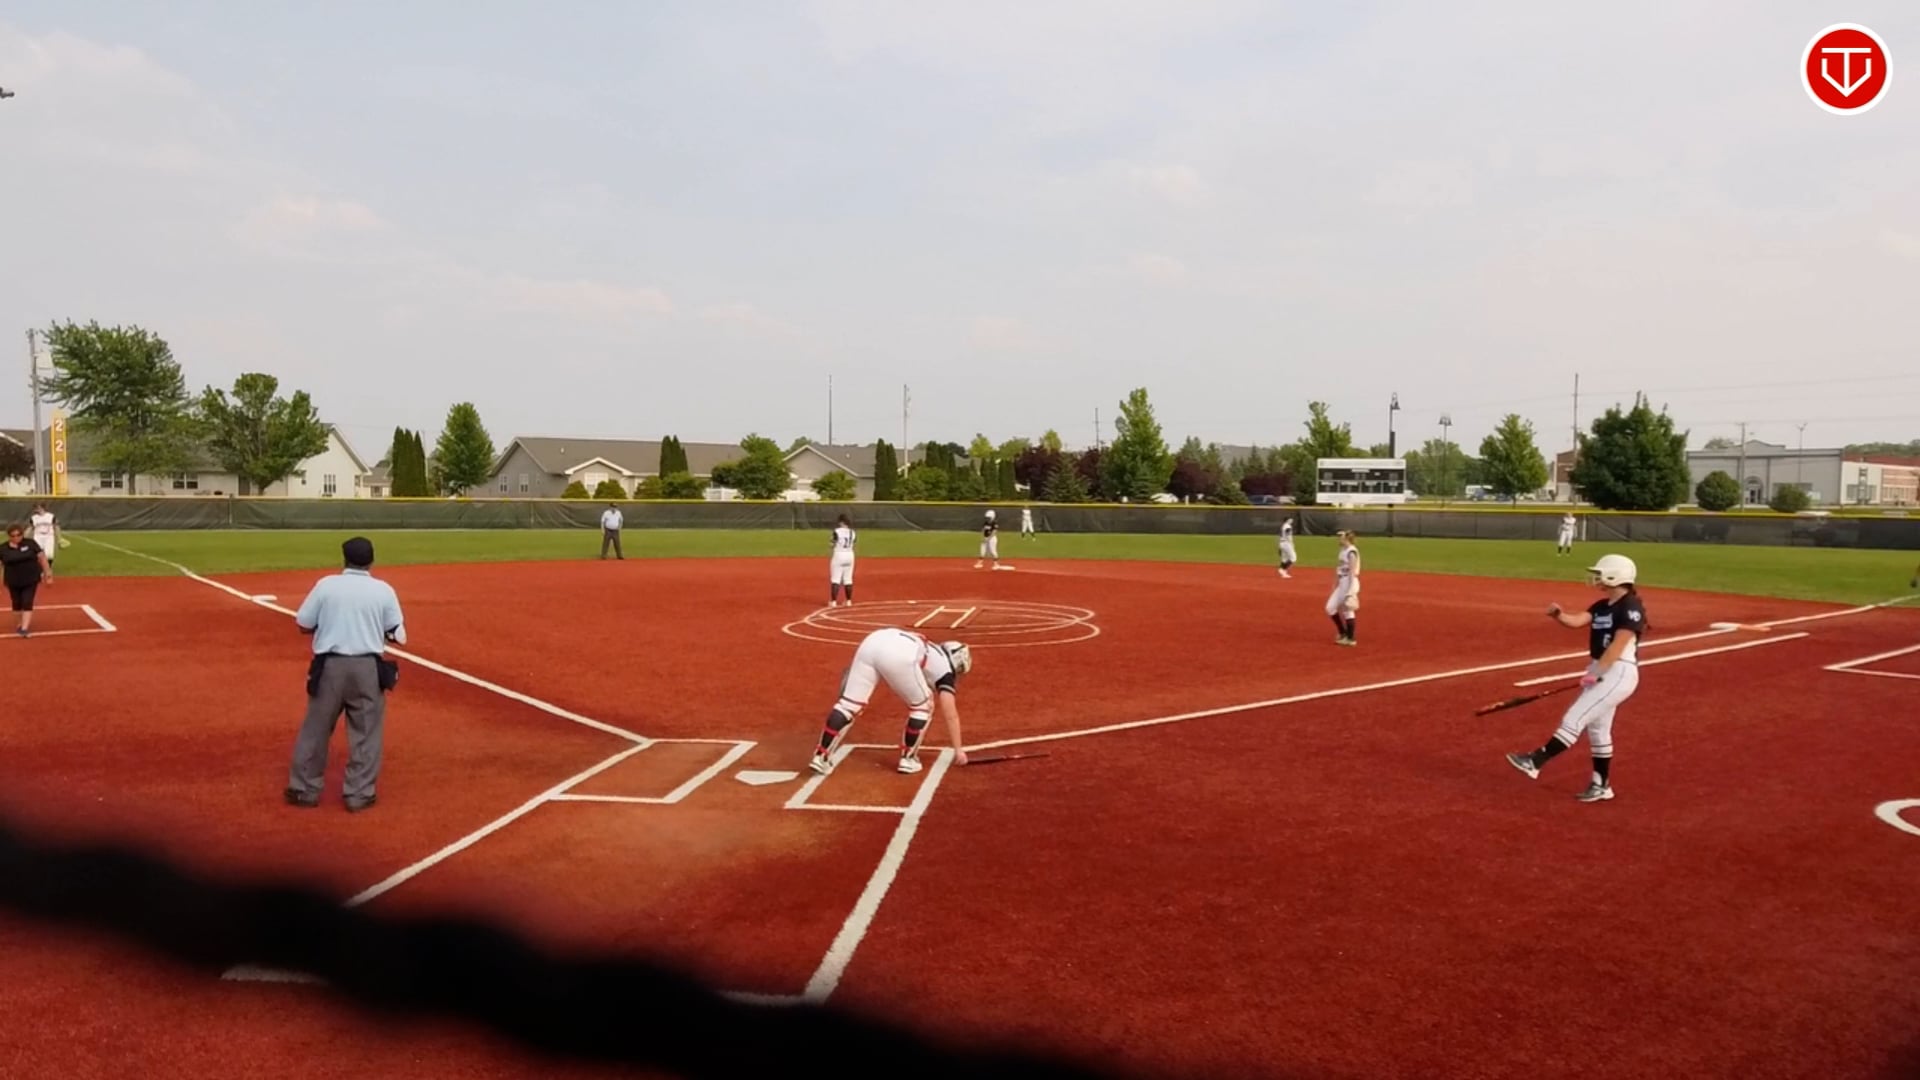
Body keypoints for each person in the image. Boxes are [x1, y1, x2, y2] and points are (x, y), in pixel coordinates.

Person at [1505, 553, 1646, 803]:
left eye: (1601, 574)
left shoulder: (1631, 607)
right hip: (1604, 668)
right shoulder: (1602, 606)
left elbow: (1618, 644)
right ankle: (1601, 785)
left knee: (1574, 718)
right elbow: (1578, 621)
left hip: (1618, 671)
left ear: (1615, 576)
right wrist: (1559, 615)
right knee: (1598, 730)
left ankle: (1536, 761)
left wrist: (1596, 673)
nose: (1596, 578)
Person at [285, 537, 406, 812]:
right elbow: (398, 634)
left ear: (345, 559)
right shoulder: (384, 590)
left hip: (330, 668)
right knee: (366, 732)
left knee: (316, 729)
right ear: (371, 561)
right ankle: (359, 794)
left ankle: (304, 790)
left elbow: (303, 623)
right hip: (367, 669)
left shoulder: (326, 585)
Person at [811, 628, 971, 776]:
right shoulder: (945, 671)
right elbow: (951, 714)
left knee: (849, 705)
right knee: (923, 706)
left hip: (872, 641)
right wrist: (958, 750)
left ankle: (821, 756)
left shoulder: (930, 648)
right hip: (900, 653)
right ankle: (908, 759)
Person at [3, 522, 52, 637]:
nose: (16, 537)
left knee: (27, 601)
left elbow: (42, 558)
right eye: (13, 535)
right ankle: (19, 624)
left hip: (30, 579)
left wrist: (48, 574)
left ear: (22, 534)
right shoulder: (3, 548)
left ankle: (24, 628)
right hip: (13, 580)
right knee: (16, 603)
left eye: (18, 535)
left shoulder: (30, 544)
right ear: (9, 536)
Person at [1325, 530, 1359, 645]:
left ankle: (1351, 638)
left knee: (1347, 610)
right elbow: (1339, 569)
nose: (1339, 539)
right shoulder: (1342, 551)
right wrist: (1335, 584)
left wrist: (1350, 590)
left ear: (1347, 539)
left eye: (1341, 537)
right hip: (1342, 582)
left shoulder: (1351, 552)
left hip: (1350, 582)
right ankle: (1343, 632)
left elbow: (1352, 572)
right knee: (1330, 607)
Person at [828, 513, 856, 607]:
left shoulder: (837, 531)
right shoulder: (852, 532)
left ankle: (833, 602)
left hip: (839, 554)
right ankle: (848, 601)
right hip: (850, 555)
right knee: (848, 579)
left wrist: (832, 546)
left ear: (841, 522)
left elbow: (832, 544)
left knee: (835, 579)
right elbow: (853, 544)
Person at [29, 502, 61, 569]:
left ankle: (48, 568)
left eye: (37, 507)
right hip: (37, 536)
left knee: (49, 554)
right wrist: (25, 537)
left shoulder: (51, 516)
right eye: (35, 508)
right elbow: (31, 528)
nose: (35, 509)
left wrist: (59, 538)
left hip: (49, 536)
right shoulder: (33, 518)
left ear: (42, 508)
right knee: (37, 553)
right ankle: (38, 568)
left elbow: (56, 527)